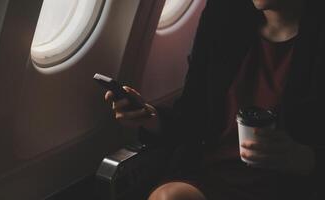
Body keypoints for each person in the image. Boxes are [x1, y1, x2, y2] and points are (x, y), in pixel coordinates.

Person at [104, 0, 324, 199]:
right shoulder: (223, 15)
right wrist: (149, 117)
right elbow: (192, 114)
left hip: (291, 186)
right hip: (213, 175)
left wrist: (306, 159)